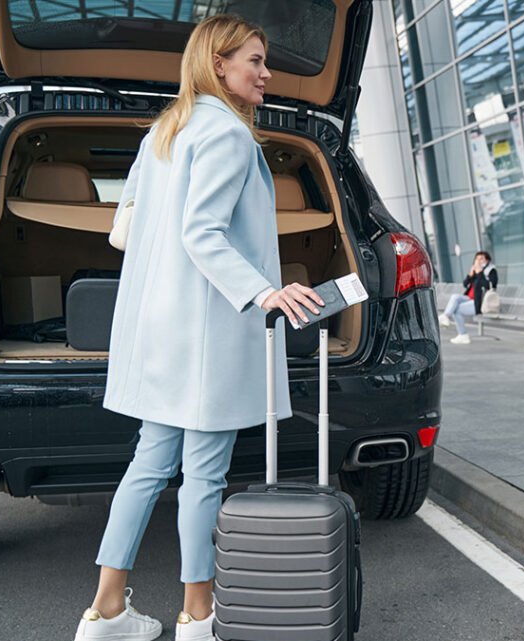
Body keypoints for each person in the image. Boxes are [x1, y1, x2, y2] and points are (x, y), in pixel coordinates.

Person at [73, 15, 325, 641]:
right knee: (204, 475)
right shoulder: (228, 136)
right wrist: (265, 289)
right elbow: (202, 232)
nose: (266, 73)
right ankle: (198, 616)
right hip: (205, 331)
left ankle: (105, 613)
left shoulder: (166, 129)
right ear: (219, 64)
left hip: (160, 326)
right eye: (255, 61)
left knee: (148, 465)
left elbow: (126, 227)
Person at [440, 251, 498, 344]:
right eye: (477, 259)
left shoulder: (491, 271)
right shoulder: (475, 271)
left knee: (457, 310)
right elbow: (465, 284)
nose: (478, 261)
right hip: (469, 299)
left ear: (487, 261)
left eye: (481, 259)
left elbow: (490, 286)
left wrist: (480, 273)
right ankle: (446, 316)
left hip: (480, 302)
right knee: (455, 297)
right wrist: (470, 275)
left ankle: (463, 335)